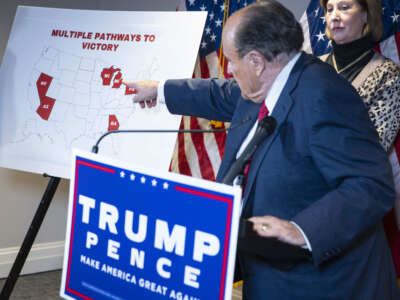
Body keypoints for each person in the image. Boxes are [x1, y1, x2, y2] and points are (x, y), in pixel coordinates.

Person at [124, 1, 400, 299]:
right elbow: (221, 93)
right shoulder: (267, 81)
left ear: (256, 61)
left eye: (232, 61)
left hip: (324, 283)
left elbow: (371, 184)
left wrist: (302, 230)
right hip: (268, 270)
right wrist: (160, 90)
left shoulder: (326, 96)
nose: (229, 69)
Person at [319, 0, 400, 276]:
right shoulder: (310, 69)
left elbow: (373, 147)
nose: (334, 16)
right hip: (305, 197)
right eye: (330, 9)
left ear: (366, 15)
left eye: (344, 7)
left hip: (352, 206)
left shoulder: (387, 74)